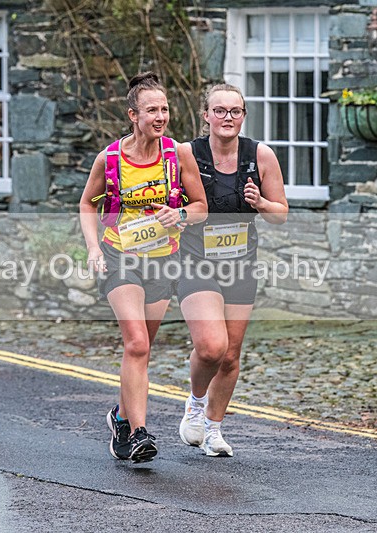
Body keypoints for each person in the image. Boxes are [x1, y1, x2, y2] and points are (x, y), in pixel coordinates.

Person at [79, 72, 207, 463]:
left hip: (162, 259)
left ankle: (120, 417)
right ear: (133, 115)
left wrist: (179, 214)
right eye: (152, 110)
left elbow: (201, 207)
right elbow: (87, 203)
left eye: (164, 109)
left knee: (143, 349)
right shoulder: (110, 158)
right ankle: (138, 433)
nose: (161, 116)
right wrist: (93, 248)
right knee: (136, 343)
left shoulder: (177, 155)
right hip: (120, 256)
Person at [177, 84, 288, 457]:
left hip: (241, 264)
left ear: (243, 115)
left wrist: (261, 203)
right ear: (206, 115)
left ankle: (213, 429)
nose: (228, 117)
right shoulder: (187, 154)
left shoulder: (260, 155)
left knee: (230, 354)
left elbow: (281, 214)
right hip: (196, 261)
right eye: (220, 111)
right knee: (211, 347)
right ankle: (195, 405)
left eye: (235, 111)